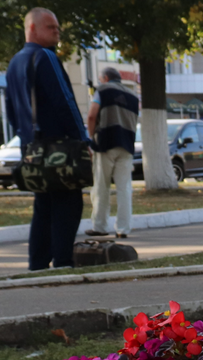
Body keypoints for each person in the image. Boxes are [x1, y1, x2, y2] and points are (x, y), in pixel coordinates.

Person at [5, 7, 90, 270]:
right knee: (68, 202)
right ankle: (63, 261)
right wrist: (82, 139)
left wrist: (26, 139)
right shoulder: (45, 56)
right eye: (51, 27)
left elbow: (11, 110)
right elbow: (65, 101)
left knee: (43, 205)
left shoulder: (14, 63)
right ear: (32, 28)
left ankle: (37, 265)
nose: (57, 32)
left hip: (32, 150)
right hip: (59, 149)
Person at [86, 67, 138, 239]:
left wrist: (90, 138)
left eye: (101, 79)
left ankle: (100, 226)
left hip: (105, 143)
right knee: (124, 188)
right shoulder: (132, 96)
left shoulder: (102, 90)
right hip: (127, 145)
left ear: (105, 78)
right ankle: (123, 229)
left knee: (101, 186)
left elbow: (92, 116)